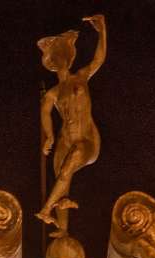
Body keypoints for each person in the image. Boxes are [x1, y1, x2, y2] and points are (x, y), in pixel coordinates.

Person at [36, 14, 106, 229]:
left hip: (86, 141)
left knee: (66, 171)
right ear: (53, 63)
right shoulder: (53, 93)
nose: (61, 60)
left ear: (67, 57)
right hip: (65, 139)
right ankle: (62, 229)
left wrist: (102, 30)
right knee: (61, 180)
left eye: (62, 55)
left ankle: (46, 210)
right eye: (56, 57)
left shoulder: (81, 76)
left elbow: (99, 59)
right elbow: (45, 113)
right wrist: (48, 136)